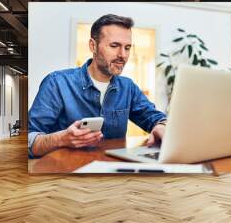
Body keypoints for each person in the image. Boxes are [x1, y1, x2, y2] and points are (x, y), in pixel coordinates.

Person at [28, 14, 167, 158]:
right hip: (66, 175)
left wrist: (161, 126)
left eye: (127, 47)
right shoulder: (56, 83)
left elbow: (155, 117)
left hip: (111, 173)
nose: (123, 55)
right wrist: (61, 139)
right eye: (114, 46)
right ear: (93, 46)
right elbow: (29, 141)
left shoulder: (128, 87)